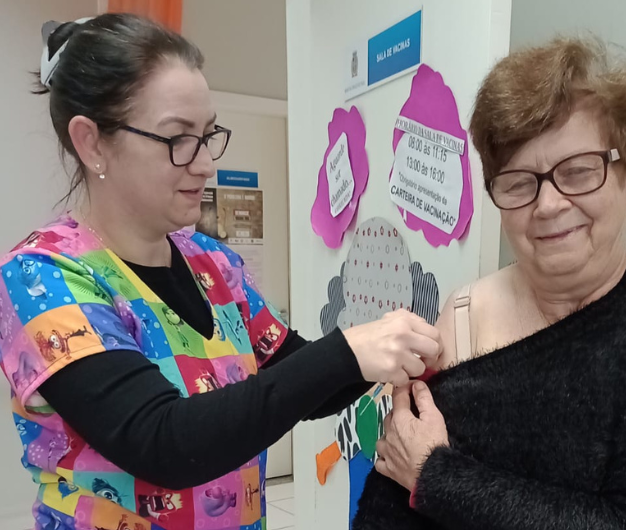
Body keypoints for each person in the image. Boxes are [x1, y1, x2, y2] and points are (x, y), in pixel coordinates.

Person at [0, 14, 441, 530]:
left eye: (208, 135)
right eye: (178, 139)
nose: (206, 163)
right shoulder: (42, 276)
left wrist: (404, 348)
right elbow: (165, 442)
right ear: (92, 142)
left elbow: (299, 378)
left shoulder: (211, 262)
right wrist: (347, 351)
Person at [353, 36, 626, 529]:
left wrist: (436, 476)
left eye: (578, 171)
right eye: (518, 182)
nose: (548, 205)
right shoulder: (462, 316)